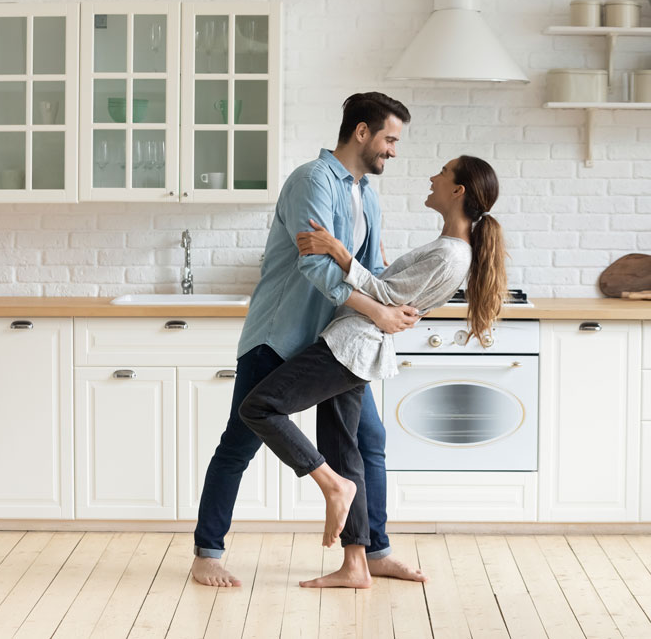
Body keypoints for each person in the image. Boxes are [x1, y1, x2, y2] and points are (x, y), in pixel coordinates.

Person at [191, 92, 427, 587]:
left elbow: (372, 270)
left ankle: (374, 552)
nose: (393, 150)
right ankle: (207, 552)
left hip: (334, 343)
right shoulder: (312, 181)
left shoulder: (367, 194)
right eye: (389, 138)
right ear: (361, 132)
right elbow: (315, 265)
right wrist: (378, 310)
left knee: (370, 440)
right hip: (279, 336)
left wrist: (392, 302)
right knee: (240, 443)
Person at [239, 155, 507, 588]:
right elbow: (390, 290)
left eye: (443, 171)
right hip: (356, 345)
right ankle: (356, 563)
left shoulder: (451, 252)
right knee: (347, 448)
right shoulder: (450, 248)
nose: (433, 175)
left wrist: (340, 252)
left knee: (260, 407)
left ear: (458, 191)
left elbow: (383, 296)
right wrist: (371, 262)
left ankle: (330, 485)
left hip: (349, 346)